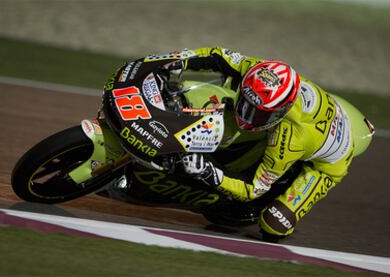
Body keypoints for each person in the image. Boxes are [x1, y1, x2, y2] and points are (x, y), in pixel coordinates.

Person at [150, 47, 358, 242]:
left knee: (274, 225)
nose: (244, 115)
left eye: (257, 113)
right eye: (245, 104)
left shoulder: (291, 140)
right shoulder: (261, 73)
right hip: (319, 115)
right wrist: (182, 60)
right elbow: (219, 55)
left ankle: (290, 174)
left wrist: (209, 173)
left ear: (280, 113)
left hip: (328, 164)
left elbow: (254, 188)